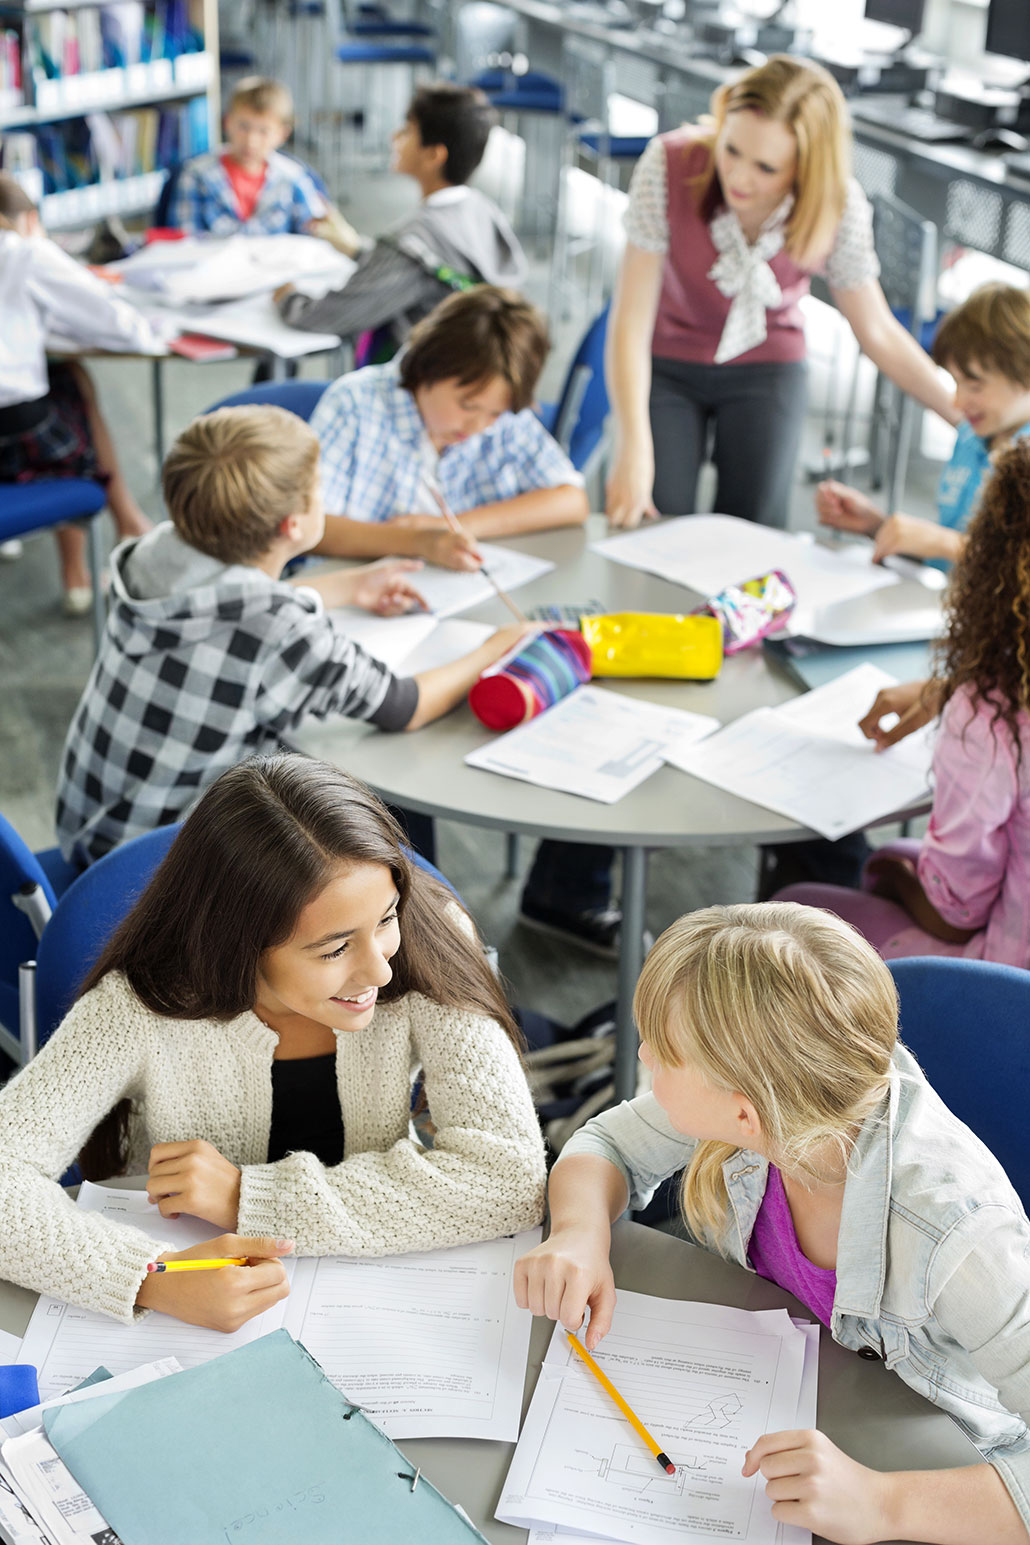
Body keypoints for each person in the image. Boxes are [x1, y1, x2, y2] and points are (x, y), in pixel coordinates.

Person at [516, 902, 1030, 1545]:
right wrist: (579, 1234)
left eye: (663, 1054)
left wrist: (883, 1504)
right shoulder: (790, 1101)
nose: (642, 1054)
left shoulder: (962, 1240)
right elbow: (605, 1145)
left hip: (926, 1475)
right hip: (793, 1401)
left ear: (743, 1116)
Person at [1, 754, 547, 1329]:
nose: (381, 973)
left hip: (379, 1298)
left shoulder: (429, 939)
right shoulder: (137, 1006)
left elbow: (511, 1180)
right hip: (194, 1304)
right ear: (238, 942)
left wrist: (250, 1198)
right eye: (334, 949)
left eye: (386, 918)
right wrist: (151, 1278)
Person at [55, 404, 532, 866]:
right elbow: (404, 705)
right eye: (319, 489)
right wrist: (497, 646)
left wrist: (348, 586)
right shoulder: (281, 629)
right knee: (352, 818)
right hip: (160, 870)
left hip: (94, 832)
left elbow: (225, 602)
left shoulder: (159, 548)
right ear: (294, 524)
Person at [605, 55, 959, 530]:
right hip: (666, 362)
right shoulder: (667, 163)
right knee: (649, 519)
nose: (739, 178)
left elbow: (875, 329)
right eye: (731, 150)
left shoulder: (837, 202)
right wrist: (632, 444)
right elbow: (630, 319)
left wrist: (971, 419)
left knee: (752, 535)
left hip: (767, 368)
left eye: (767, 167)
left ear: (806, 168)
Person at [774, 439, 1030, 968]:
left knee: (785, 914)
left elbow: (954, 912)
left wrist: (887, 875)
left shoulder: (992, 712)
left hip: (1002, 982)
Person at [310, 285, 589, 567]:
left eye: (495, 413)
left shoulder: (502, 418)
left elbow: (572, 501)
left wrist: (454, 526)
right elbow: (309, 527)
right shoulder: (353, 405)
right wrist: (419, 541)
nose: (479, 425)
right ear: (429, 367)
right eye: (467, 406)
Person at [0, 173, 159, 615]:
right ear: (30, 220)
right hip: (18, 440)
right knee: (72, 389)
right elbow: (124, 328)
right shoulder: (25, 251)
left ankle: (118, 531)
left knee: (61, 382)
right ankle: (100, 550)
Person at [275, 82, 526, 352]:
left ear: (434, 155)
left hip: (420, 376)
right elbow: (429, 274)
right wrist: (358, 250)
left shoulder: (412, 241)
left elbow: (326, 316)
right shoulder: (480, 208)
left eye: (407, 131)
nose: (394, 138)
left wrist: (287, 295)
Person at [817, 283, 1030, 569]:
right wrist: (877, 526)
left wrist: (944, 543)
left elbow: (1018, 570)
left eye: (975, 385)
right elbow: (954, 556)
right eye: (955, 382)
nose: (957, 401)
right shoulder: (970, 438)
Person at [169, 76, 327, 237]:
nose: (251, 141)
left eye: (263, 131)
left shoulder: (293, 178)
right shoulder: (196, 175)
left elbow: (316, 238)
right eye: (243, 127)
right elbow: (185, 239)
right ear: (227, 122)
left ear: (282, 134)